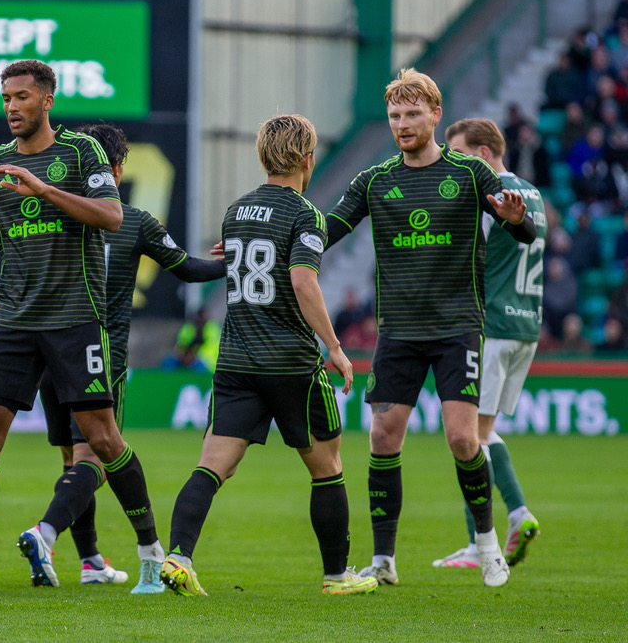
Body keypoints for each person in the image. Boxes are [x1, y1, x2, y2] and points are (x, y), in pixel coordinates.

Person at [0, 60, 163, 595]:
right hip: (14, 319)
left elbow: (111, 217)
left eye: (21, 97)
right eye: (5, 98)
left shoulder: (81, 153)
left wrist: (43, 190)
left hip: (74, 319)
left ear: (47, 100)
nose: (12, 107)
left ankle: (152, 555)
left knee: (103, 440)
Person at [323, 69, 536, 589]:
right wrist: (282, 236)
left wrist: (513, 217)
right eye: (395, 115)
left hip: (457, 326)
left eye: (412, 114)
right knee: (381, 436)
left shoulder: (468, 173)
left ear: (435, 115)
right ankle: (384, 560)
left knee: (463, 439)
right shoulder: (375, 179)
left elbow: (525, 231)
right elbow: (328, 229)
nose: (402, 124)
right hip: (398, 331)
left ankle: (488, 547)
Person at [160, 114, 375, 598]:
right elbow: (302, 280)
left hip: (236, 362)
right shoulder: (306, 214)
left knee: (212, 465)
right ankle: (338, 576)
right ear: (307, 159)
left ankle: (177, 558)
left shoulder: (236, 211)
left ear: (262, 157)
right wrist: (336, 350)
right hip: (291, 363)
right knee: (327, 468)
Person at [28, 122, 224, 586]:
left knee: (73, 463)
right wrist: (235, 258)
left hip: (45, 357)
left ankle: (90, 561)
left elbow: (7, 282)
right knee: (95, 460)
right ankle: (46, 533)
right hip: (100, 357)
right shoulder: (133, 221)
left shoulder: (50, 214)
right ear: (116, 169)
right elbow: (191, 270)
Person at [431, 118, 548, 572]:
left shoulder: (489, 192)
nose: (451, 161)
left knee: (466, 438)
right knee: (479, 433)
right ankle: (494, 530)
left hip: (492, 324)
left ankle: (503, 525)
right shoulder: (531, 192)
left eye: (456, 153)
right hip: (526, 324)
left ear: (480, 153)